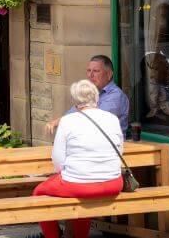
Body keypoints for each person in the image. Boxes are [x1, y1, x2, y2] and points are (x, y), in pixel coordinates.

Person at [32, 80, 124, 238]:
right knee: (83, 198)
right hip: (113, 183)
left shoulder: (68, 121)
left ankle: (52, 236)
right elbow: (120, 152)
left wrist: (67, 173)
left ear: (75, 101)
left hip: (79, 184)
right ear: (97, 98)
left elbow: (58, 159)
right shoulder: (112, 119)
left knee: (38, 192)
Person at [47, 55, 130, 134]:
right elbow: (73, 114)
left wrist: (78, 111)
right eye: (88, 70)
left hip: (108, 146)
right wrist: (56, 122)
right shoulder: (90, 93)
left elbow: (93, 120)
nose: (90, 75)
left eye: (96, 71)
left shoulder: (116, 96)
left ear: (109, 74)